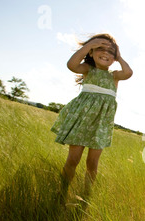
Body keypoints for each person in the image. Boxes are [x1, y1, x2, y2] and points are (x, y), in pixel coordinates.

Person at [51, 33, 133, 201]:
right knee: (73, 159)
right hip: (81, 121)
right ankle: (62, 191)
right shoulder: (88, 70)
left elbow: (128, 72)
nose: (106, 53)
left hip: (100, 125)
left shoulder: (114, 75)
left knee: (92, 163)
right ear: (91, 52)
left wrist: (119, 57)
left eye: (110, 51)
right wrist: (89, 45)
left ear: (114, 57)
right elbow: (71, 64)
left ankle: (86, 194)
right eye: (100, 49)